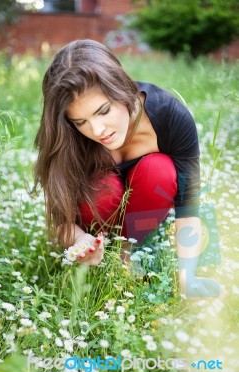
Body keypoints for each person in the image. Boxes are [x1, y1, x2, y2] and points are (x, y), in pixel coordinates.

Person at [33, 39, 220, 298]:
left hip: (144, 214)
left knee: (159, 169)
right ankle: (102, 253)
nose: (97, 131)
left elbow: (188, 210)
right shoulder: (66, 136)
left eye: (104, 111)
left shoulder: (170, 116)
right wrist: (78, 239)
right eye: (81, 121)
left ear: (122, 89)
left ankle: (126, 254)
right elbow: (61, 220)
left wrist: (188, 279)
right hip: (96, 219)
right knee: (104, 188)